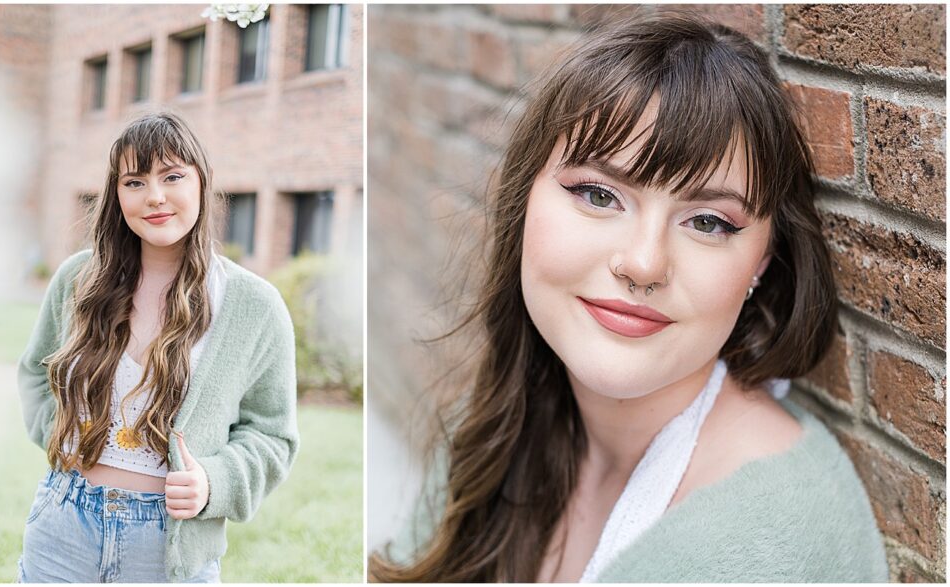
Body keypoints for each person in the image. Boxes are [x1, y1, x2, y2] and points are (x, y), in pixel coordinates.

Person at [369, 13, 888, 583]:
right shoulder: (505, 426)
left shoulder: (774, 539)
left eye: (709, 223)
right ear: (523, 203)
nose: (643, 264)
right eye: (598, 194)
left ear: (762, 265)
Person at [17, 112, 298, 582]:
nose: (155, 197)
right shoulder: (77, 279)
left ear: (201, 184)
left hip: (169, 546)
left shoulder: (254, 305)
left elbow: (273, 435)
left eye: (172, 176)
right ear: (117, 195)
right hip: (62, 526)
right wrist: (58, 433)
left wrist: (213, 482)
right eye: (134, 181)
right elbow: (33, 374)